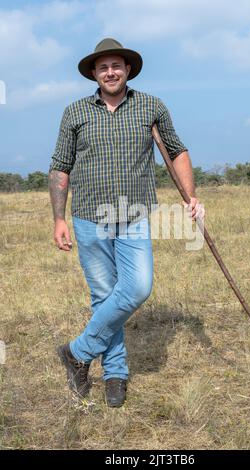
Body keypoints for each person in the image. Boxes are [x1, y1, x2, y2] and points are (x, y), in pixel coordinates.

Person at [49, 38, 204, 407]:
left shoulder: (150, 106)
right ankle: (115, 373)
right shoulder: (75, 112)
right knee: (104, 298)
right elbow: (60, 167)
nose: (111, 72)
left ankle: (76, 352)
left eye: (116, 65)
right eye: (103, 67)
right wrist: (58, 218)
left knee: (137, 288)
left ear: (128, 69)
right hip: (89, 217)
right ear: (93, 73)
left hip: (134, 216)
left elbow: (177, 149)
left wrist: (191, 196)